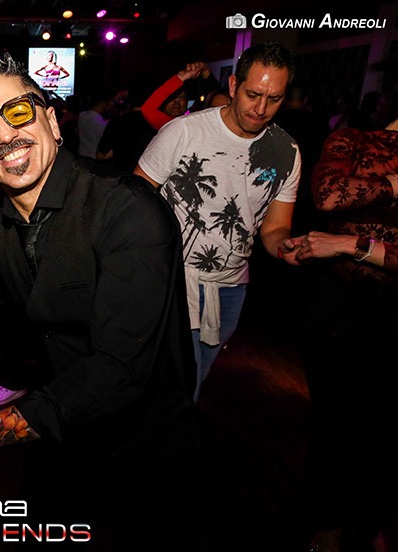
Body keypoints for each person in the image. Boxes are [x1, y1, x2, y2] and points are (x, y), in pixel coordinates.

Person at [0, 51, 200, 551]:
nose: (5, 134)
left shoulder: (127, 211)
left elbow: (119, 368)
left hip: (147, 444)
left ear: (53, 123)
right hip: (63, 437)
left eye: (18, 112)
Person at [134, 41, 304, 403]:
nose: (261, 108)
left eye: (274, 99)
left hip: (231, 287)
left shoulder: (286, 152)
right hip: (173, 281)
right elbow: (133, 201)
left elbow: (275, 227)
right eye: (253, 94)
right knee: (182, 386)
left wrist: (285, 246)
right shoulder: (183, 132)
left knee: (197, 379)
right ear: (233, 85)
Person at [294, 112, 398, 552]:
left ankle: (372, 522)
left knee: (387, 425)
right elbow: (330, 195)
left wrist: (352, 245)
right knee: (335, 419)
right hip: (342, 304)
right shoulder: (353, 139)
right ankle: (330, 523)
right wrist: (395, 184)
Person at [141, 61, 219, 130]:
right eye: (172, 97)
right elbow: (148, 109)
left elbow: (216, 98)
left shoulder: (194, 122)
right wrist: (182, 76)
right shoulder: (166, 125)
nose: (177, 101)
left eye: (182, 97)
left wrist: (205, 72)